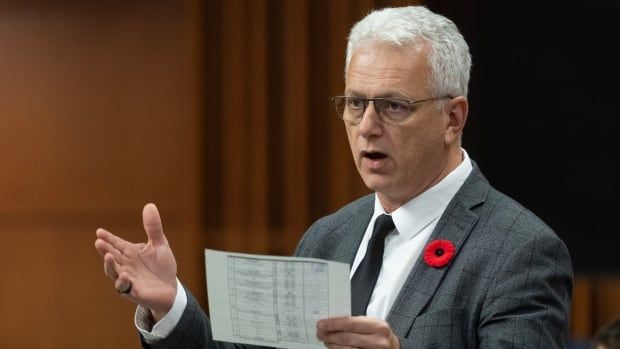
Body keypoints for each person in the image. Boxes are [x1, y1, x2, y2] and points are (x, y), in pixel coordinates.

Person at [94, 5, 573, 348]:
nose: (367, 126)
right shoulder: (328, 237)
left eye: (394, 105)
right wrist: (170, 304)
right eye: (356, 103)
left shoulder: (520, 252)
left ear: (453, 118)